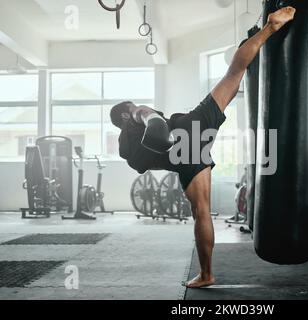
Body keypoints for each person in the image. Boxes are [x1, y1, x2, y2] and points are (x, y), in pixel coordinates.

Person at [110, 6, 296, 288]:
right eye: (130, 107)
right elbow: (149, 121)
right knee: (234, 74)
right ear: (124, 114)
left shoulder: (129, 135)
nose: (135, 106)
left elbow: (147, 144)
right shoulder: (133, 118)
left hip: (183, 147)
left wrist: (162, 141)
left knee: (202, 213)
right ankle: (270, 28)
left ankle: (207, 274)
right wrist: (156, 129)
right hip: (190, 125)